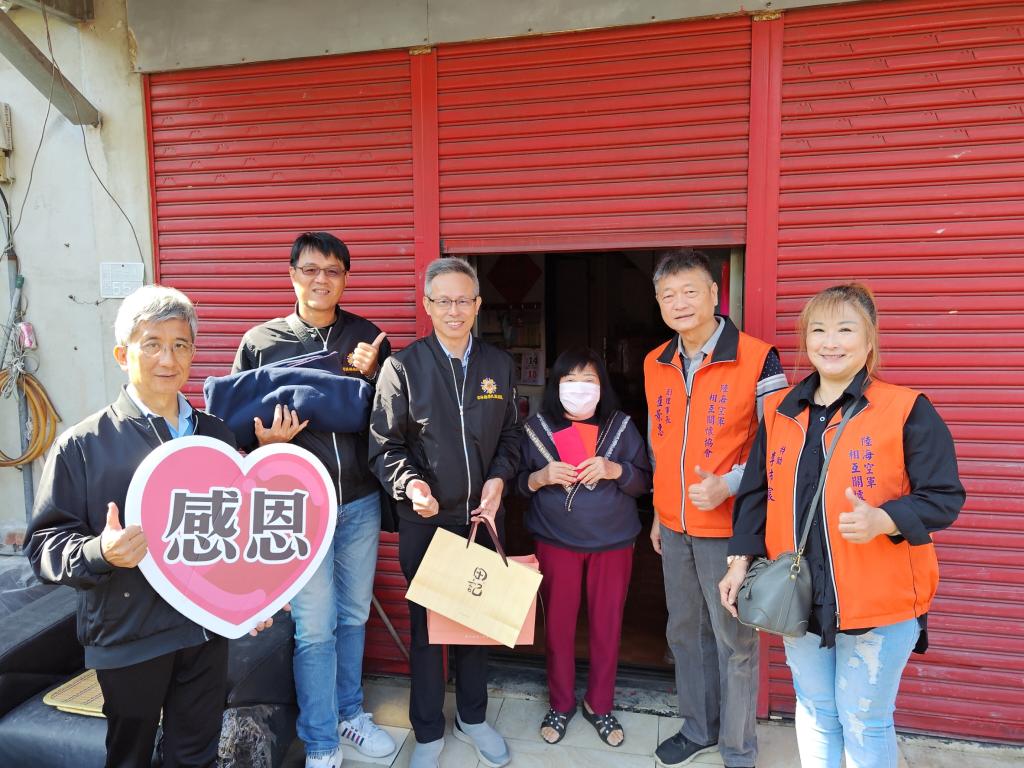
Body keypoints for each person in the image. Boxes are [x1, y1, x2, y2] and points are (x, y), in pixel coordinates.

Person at [25, 285, 276, 768]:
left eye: (180, 345)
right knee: (130, 756)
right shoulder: (83, 445)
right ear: (123, 355)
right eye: (152, 344)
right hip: (129, 635)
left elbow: (234, 531)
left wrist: (251, 597)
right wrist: (100, 552)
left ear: (193, 354)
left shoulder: (215, 435)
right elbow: (44, 547)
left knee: (195, 755)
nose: (168, 358)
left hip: (204, 631)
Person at [719, 283, 964, 768]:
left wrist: (884, 519)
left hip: (879, 600)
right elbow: (754, 494)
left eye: (845, 329)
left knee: (865, 720)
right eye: (819, 330)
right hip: (799, 596)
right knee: (815, 712)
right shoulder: (780, 409)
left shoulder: (906, 408)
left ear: (869, 339)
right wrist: (738, 561)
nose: (830, 342)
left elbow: (944, 497)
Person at [232, 232, 395, 767]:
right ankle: (321, 739)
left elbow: (390, 422)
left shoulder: (368, 338)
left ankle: (350, 713)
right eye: (310, 269)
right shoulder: (261, 342)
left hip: (359, 502)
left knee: (353, 615)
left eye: (332, 270)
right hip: (297, 508)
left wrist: (371, 375)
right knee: (315, 624)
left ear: (346, 278)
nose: (321, 279)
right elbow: (236, 427)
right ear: (292, 275)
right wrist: (264, 443)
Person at [368, 257, 520, 768]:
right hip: (426, 521)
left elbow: (511, 436)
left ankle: (472, 718)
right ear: (427, 306)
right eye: (443, 300)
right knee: (427, 629)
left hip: (483, 518)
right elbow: (384, 446)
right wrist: (411, 485)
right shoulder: (403, 367)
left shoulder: (499, 365)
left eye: (463, 300)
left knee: (477, 623)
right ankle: (428, 730)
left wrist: (499, 480)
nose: (454, 310)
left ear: (478, 305)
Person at [645, 248, 787, 768]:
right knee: (684, 631)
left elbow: (781, 447)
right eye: (668, 295)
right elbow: (660, 446)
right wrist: (658, 513)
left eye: (690, 291)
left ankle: (738, 749)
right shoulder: (656, 362)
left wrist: (728, 485)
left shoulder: (758, 357)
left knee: (735, 641)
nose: (679, 303)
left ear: (713, 294)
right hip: (674, 525)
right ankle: (698, 728)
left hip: (729, 530)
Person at [516, 347, 651, 747]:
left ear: (602, 386)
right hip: (555, 541)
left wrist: (615, 469)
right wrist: (540, 477)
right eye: (570, 380)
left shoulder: (621, 426)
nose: (579, 389)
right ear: (555, 386)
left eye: (588, 380)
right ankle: (561, 703)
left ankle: (600, 704)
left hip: (614, 542)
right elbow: (516, 483)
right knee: (558, 627)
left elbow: (644, 482)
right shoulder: (536, 428)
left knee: (607, 625)